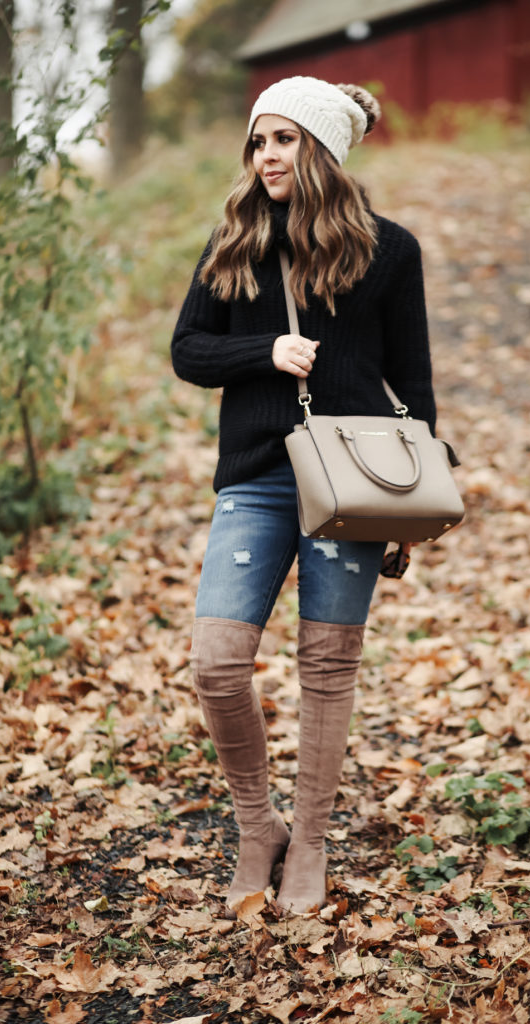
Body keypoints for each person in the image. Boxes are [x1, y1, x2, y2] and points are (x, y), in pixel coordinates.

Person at [171, 76, 436, 917]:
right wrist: (265, 350)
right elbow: (186, 351)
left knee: (326, 669)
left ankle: (310, 843)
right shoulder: (236, 243)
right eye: (258, 141)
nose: (265, 156)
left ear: (319, 148)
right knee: (216, 663)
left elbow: (415, 386)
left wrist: (416, 497)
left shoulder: (389, 251)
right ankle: (260, 826)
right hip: (255, 477)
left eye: (282, 139)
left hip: (351, 484)